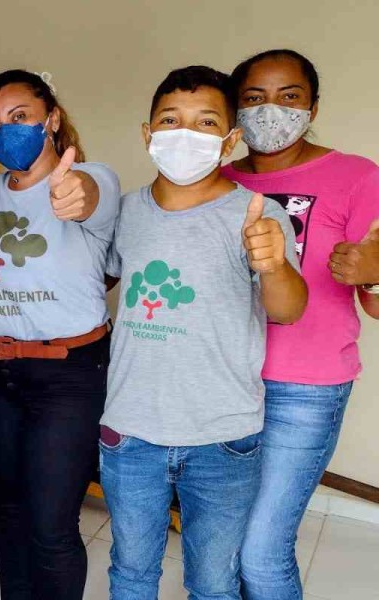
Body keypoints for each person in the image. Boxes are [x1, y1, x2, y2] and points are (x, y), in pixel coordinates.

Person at [101, 66, 307, 600]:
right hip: (131, 430)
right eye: (171, 120)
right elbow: (95, 280)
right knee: (131, 571)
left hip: (223, 435)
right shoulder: (126, 212)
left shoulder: (257, 216)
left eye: (205, 122)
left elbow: (288, 310)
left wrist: (275, 265)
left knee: (214, 582)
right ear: (148, 135)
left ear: (230, 139)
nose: (185, 134)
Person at [0, 70, 120, 600]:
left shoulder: (93, 178)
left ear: (51, 119)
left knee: (51, 526)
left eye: (19, 117)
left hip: (67, 376)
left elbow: (90, 197)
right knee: (8, 511)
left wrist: (76, 193)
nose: (5, 131)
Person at [222, 49, 379, 600]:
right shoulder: (215, 179)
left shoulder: (357, 176)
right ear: (235, 111)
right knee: (222, 545)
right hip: (221, 384)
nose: (272, 112)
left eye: (289, 97)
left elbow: (376, 303)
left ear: (313, 105)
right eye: (254, 99)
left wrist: (377, 272)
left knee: (262, 554)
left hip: (304, 390)